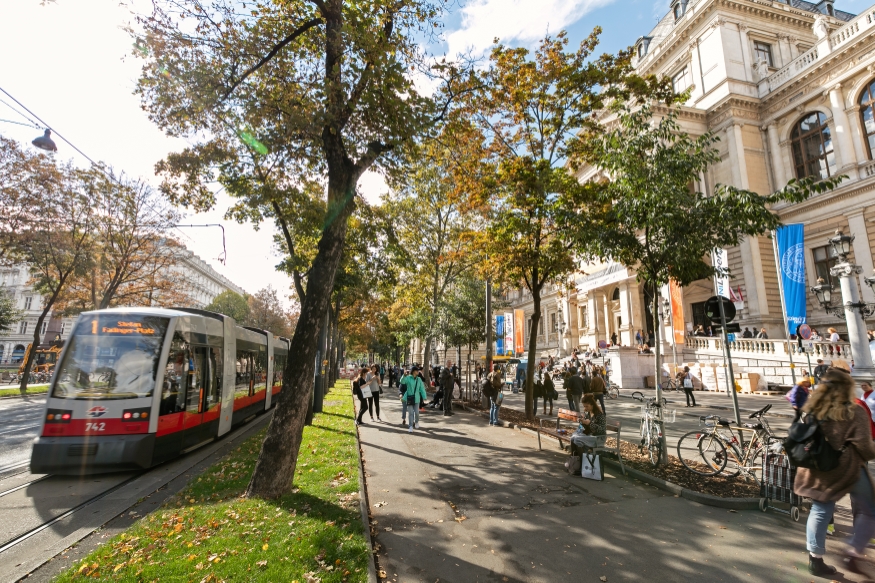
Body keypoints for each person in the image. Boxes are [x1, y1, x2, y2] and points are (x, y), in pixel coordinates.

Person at [793, 369, 875, 576]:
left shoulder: (813, 409)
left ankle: (815, 559)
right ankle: (853, 553)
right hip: (849, 469)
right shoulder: (855, 411)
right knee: (869, 510)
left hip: (820, 468)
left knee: (820, 510)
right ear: (847, 388)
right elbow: (866, 449)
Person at [400, 366, 427, 432]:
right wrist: (404, 375)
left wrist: (424, 396)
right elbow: (402, 382)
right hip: (409, 398)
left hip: (417, 399)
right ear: (413, 371)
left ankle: (416, 421)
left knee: (417, 412)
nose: (418, 371)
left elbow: (422, 389)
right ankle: (410, 426)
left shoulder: (419, 379)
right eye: (417, 370)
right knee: (411, 413)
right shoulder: (408, 378)